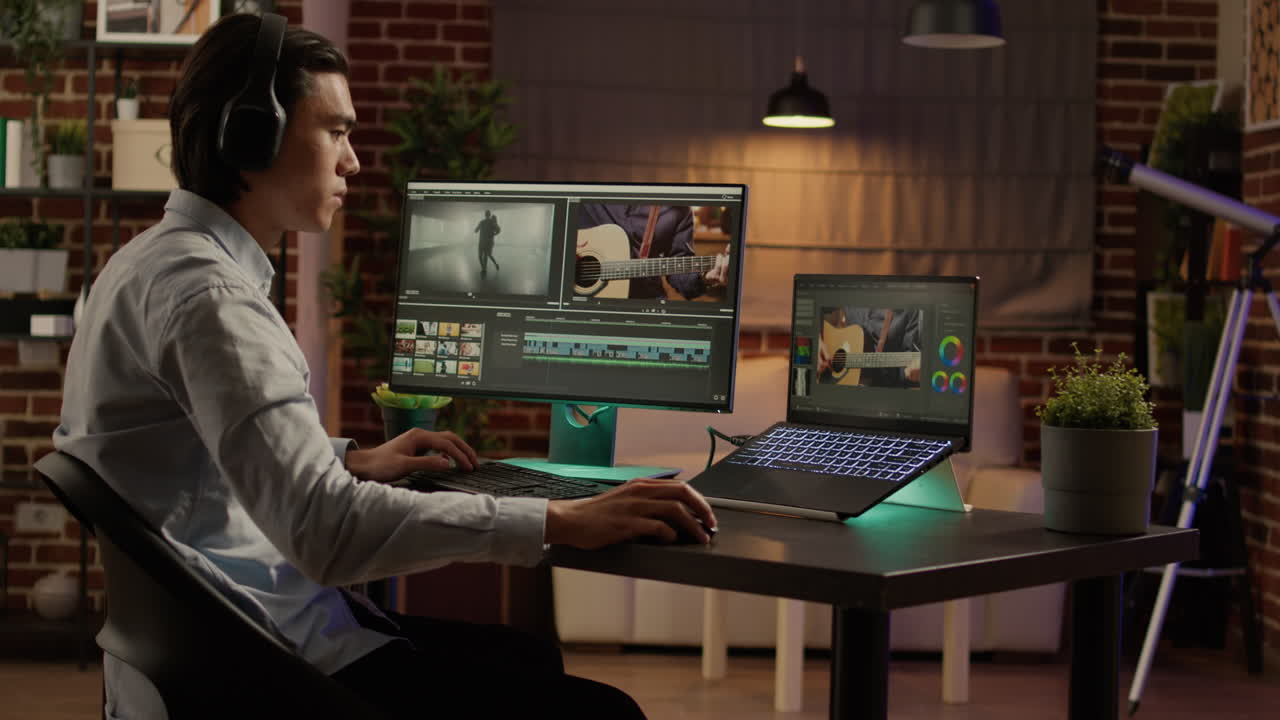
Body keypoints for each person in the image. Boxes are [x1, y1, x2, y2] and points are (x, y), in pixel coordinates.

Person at [53, 14, 715, 719]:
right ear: (251, 137)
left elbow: (195, 453)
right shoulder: (212, 299)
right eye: (335, 131)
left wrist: (348, 458)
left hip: (208, 647)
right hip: (266, 661)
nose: (353, 162)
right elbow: (328, 535)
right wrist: (555, 519)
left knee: (525, 657)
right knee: (602, 711)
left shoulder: (145, 265)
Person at [577, 204, 728, 299]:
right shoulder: (583, 199)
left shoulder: (677, 209)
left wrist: (705, 278)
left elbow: (680, 276)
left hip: (647, 307)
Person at [817, 307, 923, 388]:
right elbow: (815, 303)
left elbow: (908, 372)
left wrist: (913, 373)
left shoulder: (910, 310)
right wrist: (818, 339)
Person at [474, 208, 501, 275]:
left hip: (482, 241)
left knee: (481, 256)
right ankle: (489, 267)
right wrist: (494, 234)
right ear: (489, 215)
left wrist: (477, 229)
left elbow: (475, 231)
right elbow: (498, 230)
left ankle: (484, 269)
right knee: (487, 255)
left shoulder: (482, 222)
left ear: (485, 215)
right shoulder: (492, 222)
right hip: (489, 242)